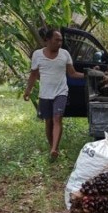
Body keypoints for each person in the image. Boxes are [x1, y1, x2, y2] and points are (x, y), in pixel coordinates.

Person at [23, 28, 86, 159]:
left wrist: (88, 74)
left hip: (61, 92)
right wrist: (28, 90)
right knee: (48, 121)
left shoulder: (65, 54)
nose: (59, 43)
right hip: (45, 94)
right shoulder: (37, 55)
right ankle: (53, 148)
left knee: (57, 118)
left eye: (61, 40)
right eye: (56, 40)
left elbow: (72, 73)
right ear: (47, 40)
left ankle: (54, 148)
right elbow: (34, 74)